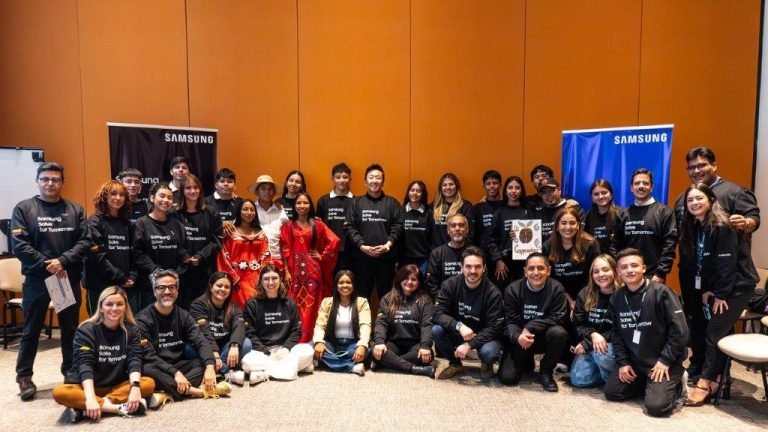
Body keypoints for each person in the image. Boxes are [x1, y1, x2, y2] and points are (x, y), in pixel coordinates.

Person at [672, 147, 760, 379]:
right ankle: (697, 365)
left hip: (725, 276)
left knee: (716, 325)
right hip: (693, 274)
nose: (696, 170)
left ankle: (717, 375)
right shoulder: (683, 197)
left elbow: (753, 219)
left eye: (701, 165)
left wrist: (747, 223)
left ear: (714, 165)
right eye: (691, 167)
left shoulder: (734, 192)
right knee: (696, 320)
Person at [11, 162, 90, 400]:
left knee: (69, 329)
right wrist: (48, 264)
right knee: (31, 329)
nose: (50, 183)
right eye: (45, 179)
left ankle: (70, 371)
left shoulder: (75, 210)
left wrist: (62, 261)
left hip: (65, 278)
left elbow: (85, 242)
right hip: (37, 279)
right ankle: (24, 377)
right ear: (37, 181)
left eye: (55, 179)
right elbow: (19, 245)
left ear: (62, 182)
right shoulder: (24, 208)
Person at [678, 184, 758, 405]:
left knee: (713, 333)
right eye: (690, 200)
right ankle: (719, 380)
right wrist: (707, 289)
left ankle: (704, 383)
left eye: (699, 198)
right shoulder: (698, 226)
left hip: (737, 286)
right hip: (719, 286)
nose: (694, 203)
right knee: (720, 330)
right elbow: (705, 262)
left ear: (711, 200)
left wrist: (720, 295)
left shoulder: (722, 225)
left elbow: (726, 264)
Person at [604, 248, 688, 417]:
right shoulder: (617, 298)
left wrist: (665, 360)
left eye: (634, 265)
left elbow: (680, 331)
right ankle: (651, 385)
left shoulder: (662, 292)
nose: (630, 270)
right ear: (618, 272)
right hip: (636, 361)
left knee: (656, 407)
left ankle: (678, 381)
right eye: (624, 267)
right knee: (613, 392)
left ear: (643, 268)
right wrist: (623, 362)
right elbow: (617, 334)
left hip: (663, 361)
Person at [52, 287, 155, 422]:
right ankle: (116, 408)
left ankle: (85, 408)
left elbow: (134, 359)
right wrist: (90, 398)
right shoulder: (86, 329)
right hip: (88, 386)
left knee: (148, 383)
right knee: (60, 392)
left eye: (119, 304)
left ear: (125, 307)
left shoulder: (131, 329)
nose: (114, 308)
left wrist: (135, 388)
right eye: (109, 304)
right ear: (101, 307)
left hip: (116, 386)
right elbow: (85, 365)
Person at [136, 269, 230, 400]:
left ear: (177, 291)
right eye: (162, 287)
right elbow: (149, 355)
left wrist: (210, 367)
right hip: (157, 366)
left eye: (171, 287)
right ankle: (196, 391)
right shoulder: (143, 319)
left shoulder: (183, 315)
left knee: (202, 363)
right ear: (154, 291)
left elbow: (201, 341)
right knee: (146, 369)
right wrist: (175, 373)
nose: (167, 291)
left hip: (178, 364)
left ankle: (167, 392)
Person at [499, 253, 569, 391]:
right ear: (525, 271)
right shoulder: (512, 289)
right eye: (531, 268)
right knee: (508, 378)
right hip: (519, 338)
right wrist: (518, 337)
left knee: (559, 333)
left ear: (548, 270)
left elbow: (558, 318)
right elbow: (510, 321)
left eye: (540, 268)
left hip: (543, 337)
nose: (536, 273)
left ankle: (546, 371)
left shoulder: (557, 289)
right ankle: (526, 360)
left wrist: (531, 326)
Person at [433, 246, 504, 380]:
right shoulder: (449, 284)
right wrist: (458, 326)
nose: (473, 271)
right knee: (437, 330)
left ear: (484, 268)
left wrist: (469, 345)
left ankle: (486, 363)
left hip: (484, 336)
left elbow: (495, 328)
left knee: (489, 353)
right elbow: (437, 313)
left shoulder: (493, 293)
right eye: (468, 266)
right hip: (460, 332)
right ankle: (455, 364)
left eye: (477, 267)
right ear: (461, 267)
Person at [280, 192, 340, 343]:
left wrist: (323, 256)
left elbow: (334, 241)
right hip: (294, 272)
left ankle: (314, 338)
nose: (302, 206)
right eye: (298, 203)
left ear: (310, 205)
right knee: (294, 303)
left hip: (313, 270)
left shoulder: (318, 224)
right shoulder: (288, 226)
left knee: (313, 305)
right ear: (294, 206)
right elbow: (284, 250)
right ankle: (295, 337)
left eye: (305, 203)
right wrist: (286, 271)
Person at [242, 266, 315, 381]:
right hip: (261, 352)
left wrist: (286, 349)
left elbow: (296, 331)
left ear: (281, 279)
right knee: (246, 361)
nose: (270, 282)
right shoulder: (252, 304)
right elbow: (250, 334)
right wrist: (267, 352)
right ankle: (294, 368)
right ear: (261, 281)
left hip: (284, 350)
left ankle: (263, 373)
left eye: (274, 278)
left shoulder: (289, 303)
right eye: (266, 279)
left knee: (307, 350)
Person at [346, 164, 404, 300]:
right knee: (361, 296)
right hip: (361, 259)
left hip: (386, 259)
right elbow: (349, 227)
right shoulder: (356, 203)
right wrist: (361, 246)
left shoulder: (392, 203)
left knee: (387, 296)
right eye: (371, 177)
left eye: (378, 178)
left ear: (383, 182)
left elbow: (398, 226)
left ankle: (386, 316)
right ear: (365, 182)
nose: (374, 181)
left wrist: (387, 246)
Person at [611, 168, 677, 283]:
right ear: (631, 188)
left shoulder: (665, 212)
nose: (641, 186)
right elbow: (614, 245)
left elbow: (669, 246)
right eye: (637, 183)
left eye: (645, 183)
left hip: (654, 277)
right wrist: (620, 270)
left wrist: (660, 273)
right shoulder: (623, 214)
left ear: (652, 187)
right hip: (627, 275)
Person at [83, 180, 138, 314]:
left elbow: (133, 253)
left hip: (125, 285)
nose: (118, 198)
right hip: (100, 286)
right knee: (99, 324)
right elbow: (97, 257)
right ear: (104, 196)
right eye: (113, 194)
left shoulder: (127, 224)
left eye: (122, 195)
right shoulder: (95, 221)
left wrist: (133, 275)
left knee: (129, 323)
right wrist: (119, 277)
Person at [134, 182, 190, 310]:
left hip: (172, 285)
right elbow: (138, 254)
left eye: (170, 198)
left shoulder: (177, 224)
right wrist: (157, 272)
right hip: (150, 287)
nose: (166, 200)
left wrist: (175, 273)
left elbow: (183, 251)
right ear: (152, 198)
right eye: (162, 196)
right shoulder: (141, 223)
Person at [372, 265, 435, 377]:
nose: (409, 282)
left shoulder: (425, 300)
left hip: (415, 344)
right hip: (393, 343)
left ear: (418, 282)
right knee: (375, 349)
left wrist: (425, 346)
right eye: (406, 278)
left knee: (427, 355)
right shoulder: (387, 299)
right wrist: (380, 342)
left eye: (414, 279)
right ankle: (413, 368)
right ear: (400, 279)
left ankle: (387, 362)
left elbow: (427, 325)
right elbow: (381, 323)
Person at [570, 254, 619, 388]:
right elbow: (578, 325)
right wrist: (592, 335)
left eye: (605, 270)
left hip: (614, 346)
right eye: (596, 271)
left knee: (600, 353)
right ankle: (608, 374)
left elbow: (621, 330)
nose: (600, 274)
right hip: (592, 343)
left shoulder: (623, 294)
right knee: (578, 380)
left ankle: (615, 382)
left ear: (615, 271)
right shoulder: (585, 293)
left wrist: (588, 343)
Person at [189, 272, 250, 379]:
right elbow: (204, 333)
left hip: (224, 347)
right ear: (211, 287)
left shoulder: (234, 307)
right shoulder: (198, 305)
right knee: (188, 349)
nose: (223, 289)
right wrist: (215, 355)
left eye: (227, 287)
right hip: (204, 345)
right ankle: (224, 369)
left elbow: (239, 327)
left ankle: (214, 368)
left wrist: (234, 346)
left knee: (246, 344)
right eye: (219, 285)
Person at [174, 173, 222, 309]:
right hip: (181, 270)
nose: (193, 191)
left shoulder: (211, 212)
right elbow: (172, 240)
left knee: (203, 308)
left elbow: (217, 241)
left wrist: (200, 255)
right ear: (182, 190)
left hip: (205, 270)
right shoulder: (174, 213)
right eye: (188, 188)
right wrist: (184, 255)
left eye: (196, 187)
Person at [313, 270, 372, 376]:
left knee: (366, 352)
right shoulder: (327, 302)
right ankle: (351, 366)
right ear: (336, 286)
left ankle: (324, 362)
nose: (345, 285)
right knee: (311, 348)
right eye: (341, 283)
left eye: (348, 282)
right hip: (332, 343)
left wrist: (362, 345)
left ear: (354, 285)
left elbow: (365, 325)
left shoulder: (362, 302)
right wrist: (319, 342)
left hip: (352, 344)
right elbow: (320, 325)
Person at [216, 199, 273, 308]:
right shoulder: (230, 233)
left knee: (256, 308)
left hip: (256, 279)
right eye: (245, 209)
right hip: (236, 279)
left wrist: (263, 276)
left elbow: (266, 256)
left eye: (252, 209)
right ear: (239, 211)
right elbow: (223, 256)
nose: (249, 212)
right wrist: (231, 278)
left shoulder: (261, 234)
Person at [542, 206, 600, 309]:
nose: (568, 227)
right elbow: (548, 279)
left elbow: (595, 274)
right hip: (558, 296)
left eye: (572, 223)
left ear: (578, 225)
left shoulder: (590, 245)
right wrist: (568, 299)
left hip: (587, 296)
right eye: (563, 223)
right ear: (557, 226)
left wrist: (582, 299)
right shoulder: (547, 247)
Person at [487, 175, 536, 287]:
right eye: (510, 188)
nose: (513, 191)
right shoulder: (499, 212)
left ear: (522, 190)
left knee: (524, 290)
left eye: (517, 188)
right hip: (504, 261)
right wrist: (498, 260)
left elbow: (536, 236)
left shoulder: (529, 211)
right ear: (505, 190)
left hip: (525, 260)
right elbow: (491, 240)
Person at [317, 162, 355, 272]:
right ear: (332, 179)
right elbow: (319, 227)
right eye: (338, 177)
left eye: (345, 177)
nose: (341, 180)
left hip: (350, 251)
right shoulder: (323, 201)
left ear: (350, 179)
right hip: (328, 250)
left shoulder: (356, 201)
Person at [248, 174, 289, 268]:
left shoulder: (280, 210)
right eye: (263, 188)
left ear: (274, 192)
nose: (267, 191)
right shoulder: (251, 210)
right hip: (256, 259)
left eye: (270, 189)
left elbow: (286, 235)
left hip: (277, 258)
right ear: (257, 191)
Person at [424, 214, 470, 298]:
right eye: (453, 226)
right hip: (443, 300)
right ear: (448, 230)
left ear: (467, 230)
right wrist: (442, 301)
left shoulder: (474, 253)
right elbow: (432, 285)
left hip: (469, 300)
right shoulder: (437, 253)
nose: (457, 228)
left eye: (461, 225)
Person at [431, 173, 475, 247]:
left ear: (457, 187)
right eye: (444, 185)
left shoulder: (466, 206)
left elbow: (470, 233)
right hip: (437, 251)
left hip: (458, 250)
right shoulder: (433, 206)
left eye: (451, 184)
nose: (448, 187)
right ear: (440, 188)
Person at [399, 180, 432, 275]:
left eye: (418, 191)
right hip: (404, 258)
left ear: (423, 194)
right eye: (412, 190)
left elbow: (432, 236)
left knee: (421, 282)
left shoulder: (429, 213)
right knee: (405, 282)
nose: (415, 193)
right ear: (408, 192)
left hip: (423, 259)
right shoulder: (400, 211)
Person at [584, 179, 623, 254]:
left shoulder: (621, 214)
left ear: (611, 195)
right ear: (592, 198)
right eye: (596, 194)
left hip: (617, 259)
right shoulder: (588, 217)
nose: (600, 196)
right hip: (595, 259)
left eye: (604, 193)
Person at [473, 170, 504, 252]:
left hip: (503, 252)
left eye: (495, 183)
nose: (492, 186)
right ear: (484, 186)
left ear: (500, 185)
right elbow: (475, 235)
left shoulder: (506, 206)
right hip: (483, 253)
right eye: (488, 184)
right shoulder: (477, 208)